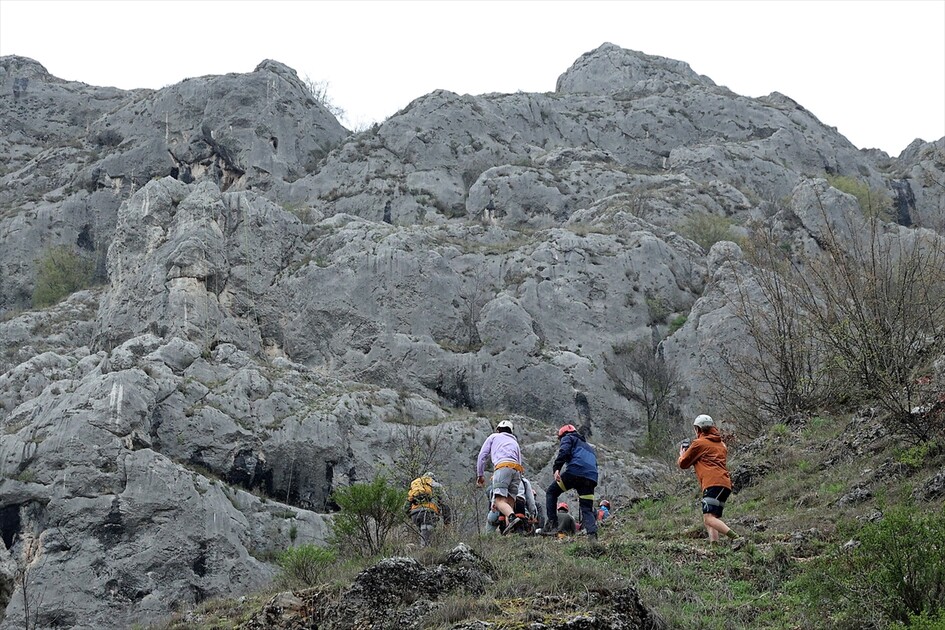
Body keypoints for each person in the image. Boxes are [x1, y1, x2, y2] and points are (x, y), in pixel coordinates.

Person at [678, 414, 739, 544]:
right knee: (711, 517)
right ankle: (714, 546)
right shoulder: (722, 445)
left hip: (712, 483)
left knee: (708, 519)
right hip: (725, 484)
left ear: (698, 429)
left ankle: (737, 538)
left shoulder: (698, 444)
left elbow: (683, 464)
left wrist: (682, 454)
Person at [544, 424, 599, 541]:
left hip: (574, 473)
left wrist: (556, 468)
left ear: (562, 435)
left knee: (551, 492)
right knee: (587, 508)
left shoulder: (568, 438)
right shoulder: (589, 447)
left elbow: (564, 451)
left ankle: (552, 525)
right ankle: (592, 536)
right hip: (590, 478)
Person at [476, 419, 525, 535]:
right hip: (517, 471)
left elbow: (482, 456)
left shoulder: (494, 437)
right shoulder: (515, 443)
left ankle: (512, 518)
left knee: (500, 502)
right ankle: (511, 535)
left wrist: (480, 475)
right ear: (511, 432)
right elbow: (520, 462)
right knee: (508, 505)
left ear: (498, 430)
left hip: (502, 467)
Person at [405, 471, 448, 546]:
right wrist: (447, 522)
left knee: (424, 536)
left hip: (415, 514)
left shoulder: (416, 486)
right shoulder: (436, 485)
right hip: (428, 513)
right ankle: (424, 554)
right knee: (426, 542)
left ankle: (417, 551)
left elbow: (405, 507)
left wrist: (411, 515)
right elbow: (446, 504)